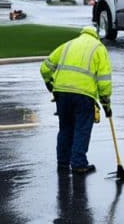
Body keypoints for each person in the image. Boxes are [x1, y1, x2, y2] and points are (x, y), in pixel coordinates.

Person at [40, 26, 113, 175]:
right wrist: (106, 104)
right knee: (82, 128)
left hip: (61, 92)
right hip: (84, 95)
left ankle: (62, 163)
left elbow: (45, 68)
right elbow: (104, 80)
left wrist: (50, 83)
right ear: (96, 36)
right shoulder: (99, 48)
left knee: (65, 128)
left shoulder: (68, 44)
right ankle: (79, 164)